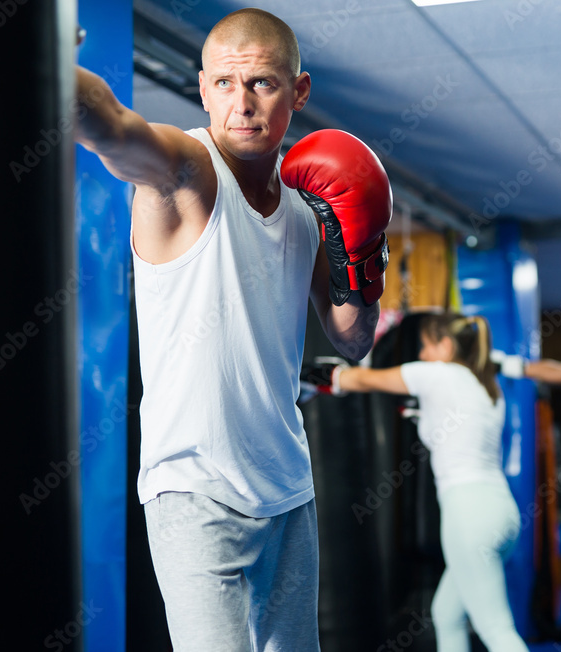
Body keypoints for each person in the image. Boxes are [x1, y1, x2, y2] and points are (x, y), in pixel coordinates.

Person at [74, 9, 391, 650]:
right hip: (194, 493)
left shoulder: (307, 208)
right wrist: (38, 56)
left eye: (263, 85)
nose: (241, 104)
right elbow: (111, 126)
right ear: (202, 87)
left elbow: (353, 339)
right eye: (225, 83)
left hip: (289, 491)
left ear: (298, 92)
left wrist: (360, 250)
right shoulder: (186, 173)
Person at [313, 314, 530, 652]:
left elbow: (365, 380)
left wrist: (327, 374)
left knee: (497, 631)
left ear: (446, 346)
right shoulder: (488, 386)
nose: (424, 354)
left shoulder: (436, 374)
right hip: (502, 513)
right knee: (447, 614)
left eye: (427, 346)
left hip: (469, 517)